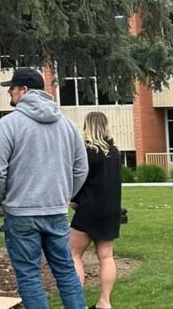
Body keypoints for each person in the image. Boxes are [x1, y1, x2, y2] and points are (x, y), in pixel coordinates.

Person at [0, 68, 89, 309]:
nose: (9, 94)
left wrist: (0, 198)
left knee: (29, 275)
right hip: (56, 211)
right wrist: (65, 194)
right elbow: (81, 168)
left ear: (24, 90)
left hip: (21, 212)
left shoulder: (8, 124)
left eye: (11, 88)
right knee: (65, 270)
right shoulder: (67, 125)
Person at [70, 112, 123, 309]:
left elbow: (80, 180)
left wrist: (74, 199)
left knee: (73, 254)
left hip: (89, 210)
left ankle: (77, 303)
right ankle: (104, 301)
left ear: (88, 127)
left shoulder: (87, 152)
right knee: (106, 256)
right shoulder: (115, 152)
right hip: (110, 211)